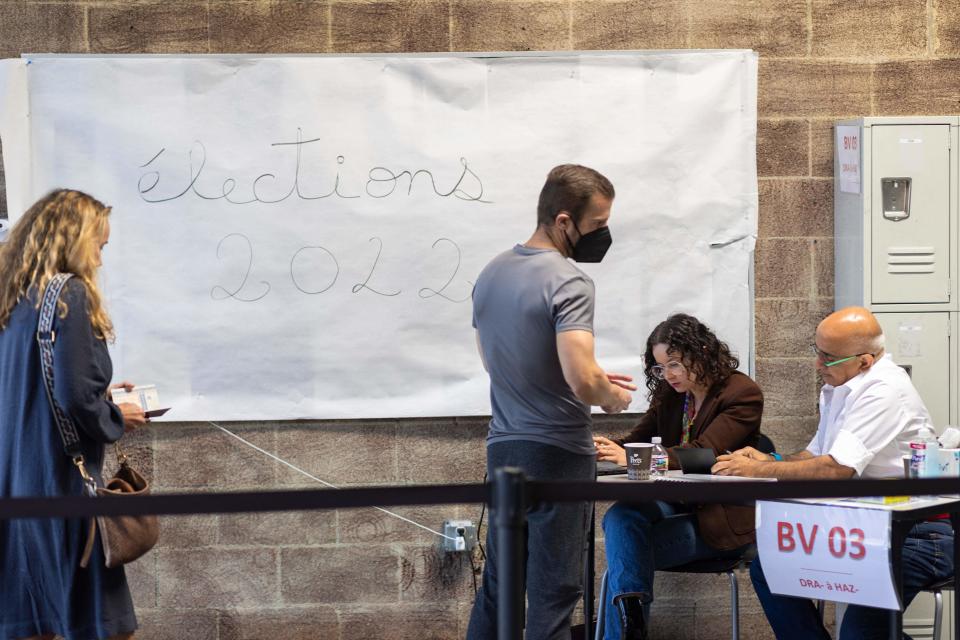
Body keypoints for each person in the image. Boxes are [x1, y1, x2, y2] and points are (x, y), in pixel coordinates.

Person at [466, 164, 634, 640]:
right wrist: (611, 395)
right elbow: (582, 380)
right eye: (598, 224)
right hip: (558, 453)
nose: (603, 233)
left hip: (504, 451)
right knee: (553, 591)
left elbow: (493, 361)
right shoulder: (570, 282)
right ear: (564, 221)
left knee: (499, 587)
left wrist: (592, 377)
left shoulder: (492, 272)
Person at [714, 306, 953, 640]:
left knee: (859, 632)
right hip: (865, 526)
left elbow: (836, 468)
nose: (817, 364)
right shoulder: (842, 386)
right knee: (770, 567)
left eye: (827, 357)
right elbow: (815, 455)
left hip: (918, 534)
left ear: (865, 360)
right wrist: (770, 461)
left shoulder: (885, 390)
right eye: (817, 352)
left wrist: (754, 469)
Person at [0, 190, 149, 640]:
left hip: (15, 480)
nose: (100, 259)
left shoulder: (13, 298)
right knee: (98, 625)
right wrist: (115, 416)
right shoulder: (71, 293)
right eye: (99, 245)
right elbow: (74, 399)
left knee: (36, 620)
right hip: (59, 481)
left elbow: (38, 386)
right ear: (74, 238)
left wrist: (96, 389)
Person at [594, 313, 763, 640]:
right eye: (659, 367)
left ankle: (629, 627)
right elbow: (636, 441)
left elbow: (705, 454)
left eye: (673, 364)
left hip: (718, 522)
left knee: (623, 558)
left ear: (700, 351)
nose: (667, 375)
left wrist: (630, 457)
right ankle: (633, 622)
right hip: (675, 504)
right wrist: (599, 448)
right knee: (621, 516)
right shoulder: (672, 394)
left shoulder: (741, 392)